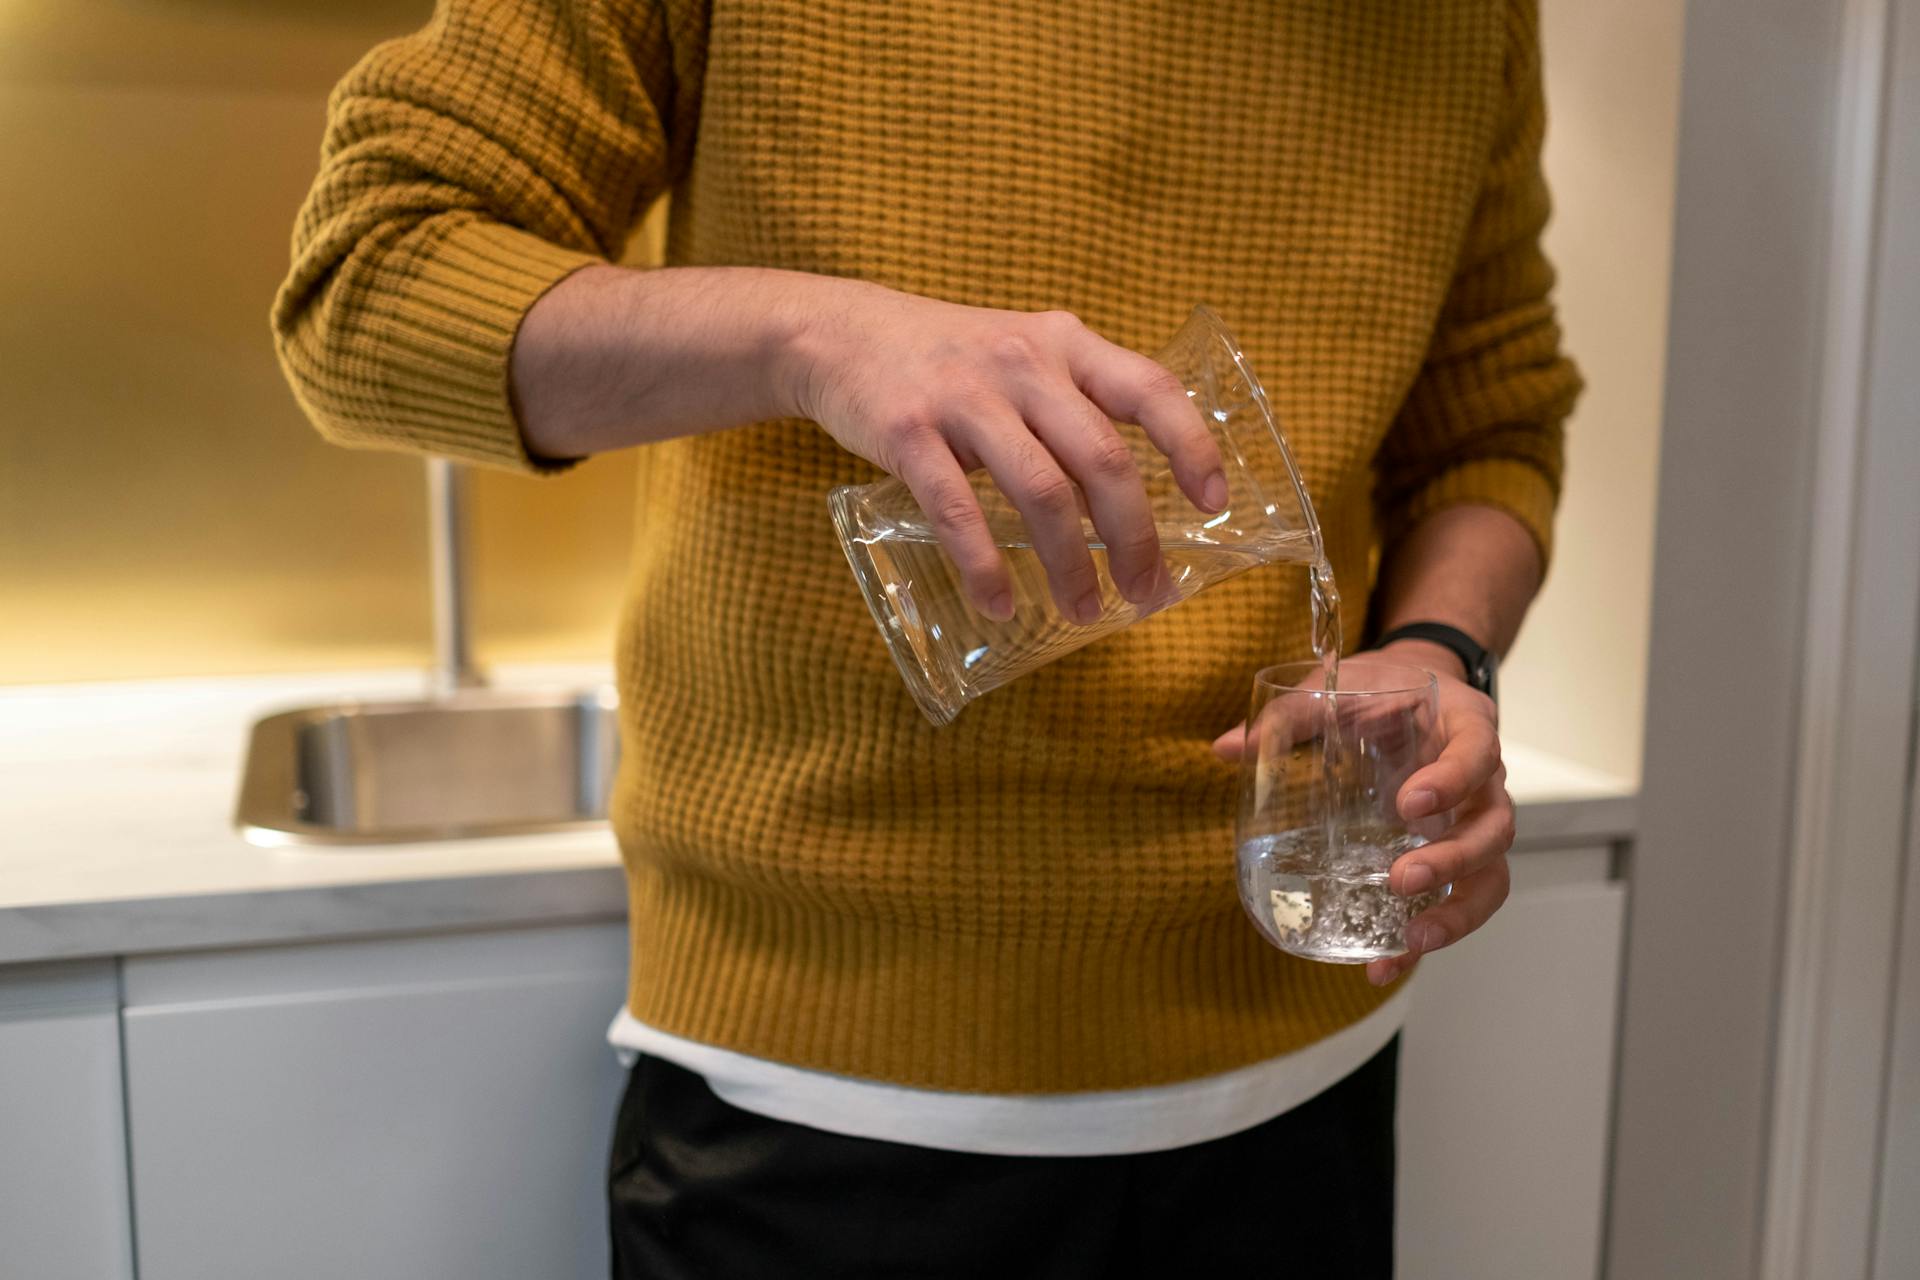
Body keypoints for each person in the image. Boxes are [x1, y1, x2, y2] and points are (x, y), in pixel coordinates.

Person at [274, 0, 1579, 1273]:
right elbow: (368, 280)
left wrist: (1435, 650)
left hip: (1306, 1086)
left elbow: (1491, 428)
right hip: (822, 1107)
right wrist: (815, 336)